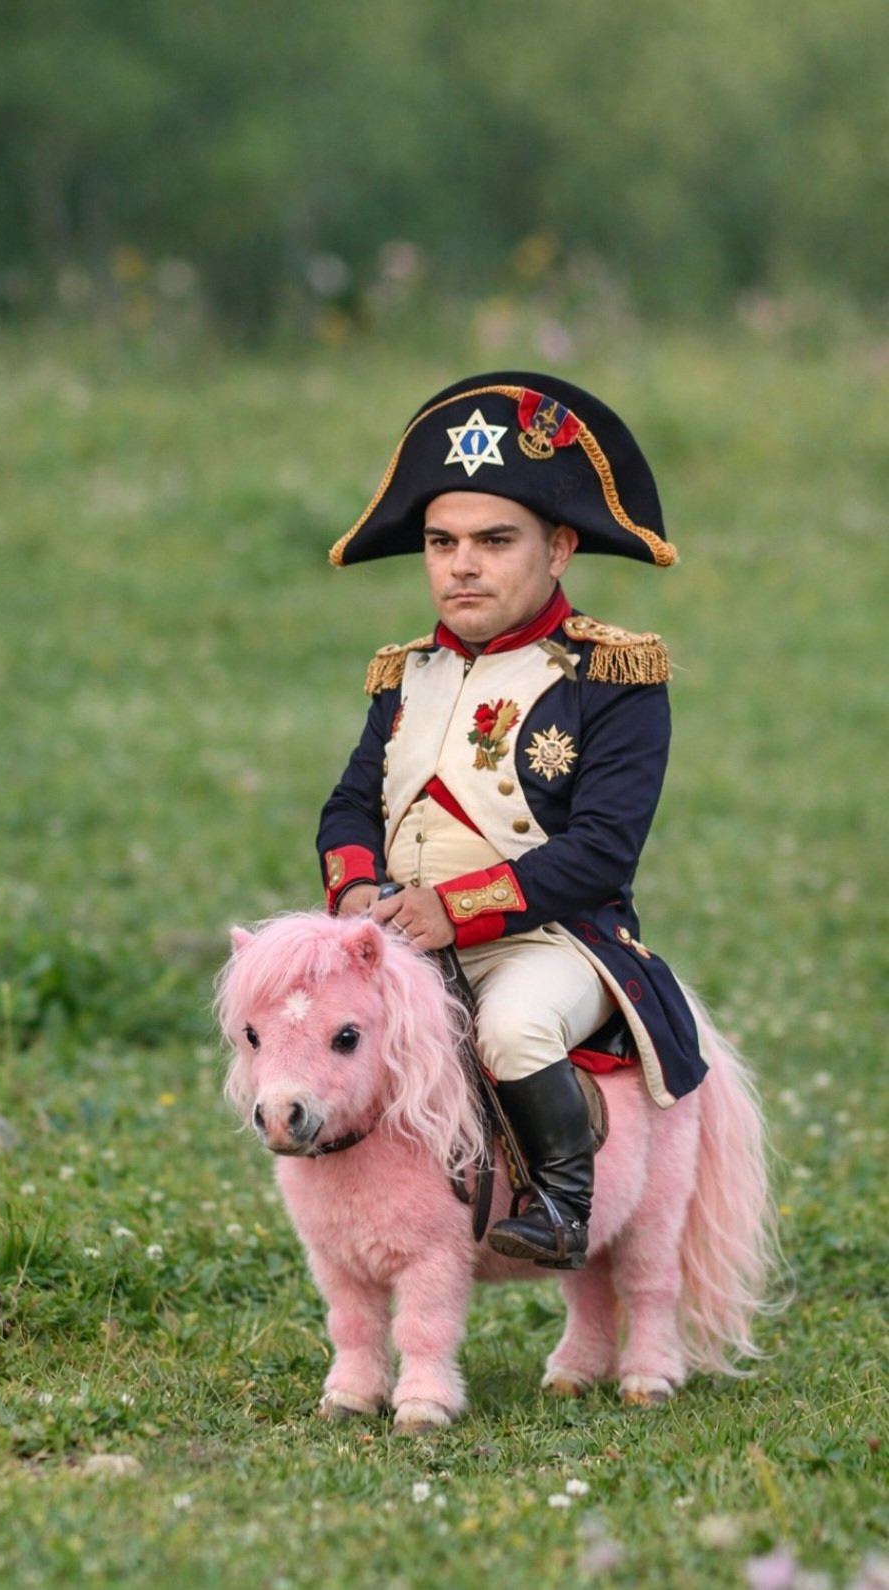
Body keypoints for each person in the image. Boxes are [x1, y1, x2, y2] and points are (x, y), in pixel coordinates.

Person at [316, 371, 707, 1270]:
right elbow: (350, 806)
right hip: (401, 930)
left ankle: (563, 1204)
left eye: (494, 541)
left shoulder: (612, 675)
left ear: (559, 548)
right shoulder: (404, 673)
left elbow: (601, 852)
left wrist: (452, 909)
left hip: (554, 942)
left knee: (514, 1026)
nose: (462, 565)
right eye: (441, 542)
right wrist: (358, 890)